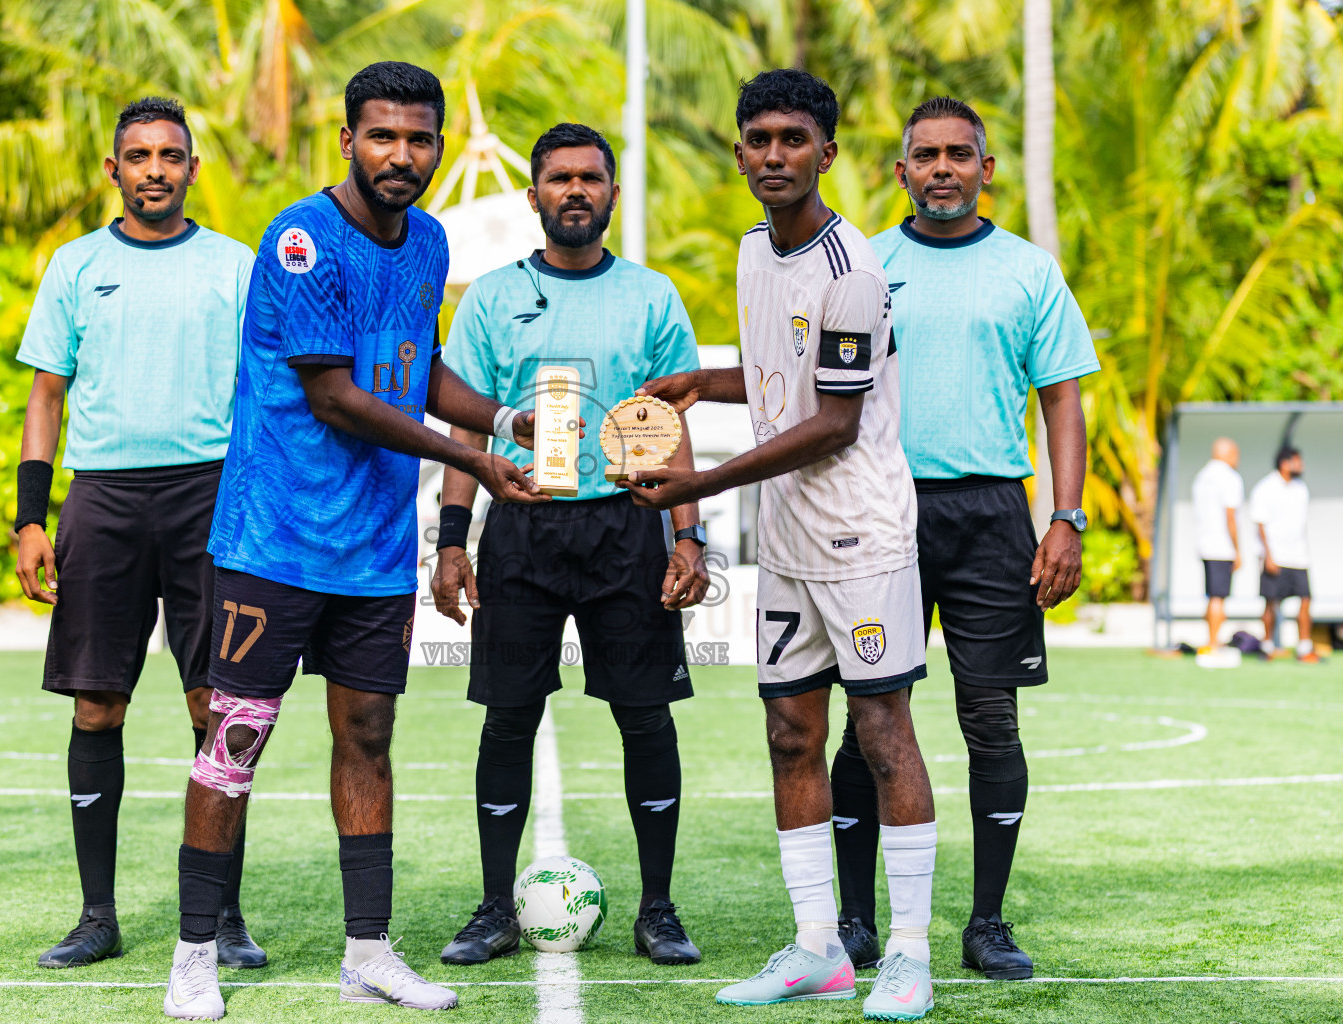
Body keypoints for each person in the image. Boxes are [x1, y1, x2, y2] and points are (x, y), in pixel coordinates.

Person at [162, 62, 550, 1021]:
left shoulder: (427, 239)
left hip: (373, 551)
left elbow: (415, 371)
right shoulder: (300, 240)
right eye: (383, 136)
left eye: (420, 139)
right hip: (274, 540)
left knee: (368, 738)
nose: (402, 156)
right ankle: (193, 957)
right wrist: (474, 456)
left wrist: (503, 422)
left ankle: (367, 953)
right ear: (347, 140)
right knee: (237, 738)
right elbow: (337, 395)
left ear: (438, 146)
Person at [625, 69, 938, 1020]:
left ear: (828, 153)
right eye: (757, 139)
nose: (773, 156)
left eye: (792, 139)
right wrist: (698, 383)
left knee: (882, 737)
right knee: (788, 731)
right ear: (737, 152)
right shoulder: (753, 249)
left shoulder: (855, 275)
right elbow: (775, 378)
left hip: (866, 538)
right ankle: (815, 951)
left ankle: (910, 955)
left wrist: (700, 486)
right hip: (789, 541)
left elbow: (833, 422)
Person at [431, 123, 708, 968]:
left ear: (613, 194)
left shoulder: (652, 296)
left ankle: (658, 909)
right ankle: (491, 908)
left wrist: (687, 535)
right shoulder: (488, 299)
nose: (576, 191)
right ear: (535, 195)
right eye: (560, 179)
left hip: (625, 527)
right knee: (508, 719)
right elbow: (463, 429)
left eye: (591, 178)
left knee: (644, 716)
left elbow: (670, 426)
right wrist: (452, 542)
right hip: (521, 525)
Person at [840, 96, 1099, 981]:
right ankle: (851, 918)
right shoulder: (865, 266)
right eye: (925, 155)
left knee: (990, 718)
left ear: (986, 169)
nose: (942, 168)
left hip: (992, 514)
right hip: (881, 509)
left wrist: (1065, 516)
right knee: (868, 720)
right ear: (901, 169)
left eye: (959, 154)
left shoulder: (1029, 271)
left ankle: (986, 923)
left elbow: (1061, 395)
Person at [14, 97, 266, 971]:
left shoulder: (238, 266)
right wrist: (29, 516)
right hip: (104, 501)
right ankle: (97, 916)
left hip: (211, 498)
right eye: (137, 155)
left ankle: (223, 916)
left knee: (218, 710)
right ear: (113, 170)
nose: (153, 168)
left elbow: (266, 394)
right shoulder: (76, 265)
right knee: (97, 706)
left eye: (169, 155)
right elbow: (46, 394)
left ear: (193, 168)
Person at [1251, 446, 1317, 663]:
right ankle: (1267, 646)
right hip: (1275, 555)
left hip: (1299, 556)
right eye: (1298, 461)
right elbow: (1260, 524)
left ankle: (1304, 648)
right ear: (1285, 463)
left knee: (1305, 600)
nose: (1302, 465)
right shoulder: (1265, 488)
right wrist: (1268, 556)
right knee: (1271, 602)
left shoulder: (1301, 489)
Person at [1191, 438, 1243, 653]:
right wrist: (1237, 549)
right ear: (1229, 453)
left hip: (1204, 544)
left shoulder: (1202, 476)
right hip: (1221, 546)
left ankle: (1212, 639)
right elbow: (1230, 517)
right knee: (1218, 597)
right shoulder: (1230, 478)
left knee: (1212, 595)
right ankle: (1213, 643)